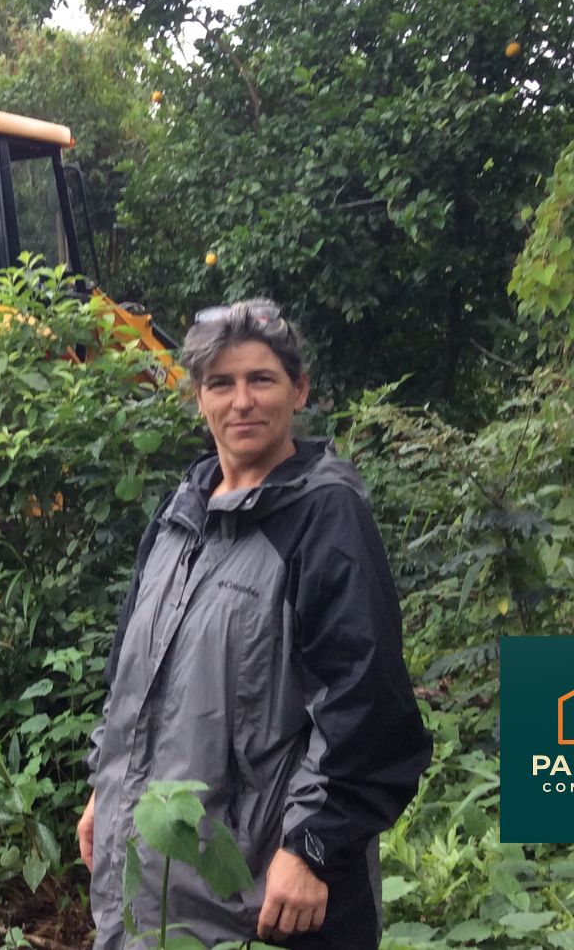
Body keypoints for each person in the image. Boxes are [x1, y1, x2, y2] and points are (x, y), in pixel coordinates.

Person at [79, 299, 432, 949]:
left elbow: (371, 711)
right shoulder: (176, 516)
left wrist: (312, 847)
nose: (241, 400)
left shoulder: (324, 518)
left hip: (266, 898)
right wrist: (109, 786)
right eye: (221, 382)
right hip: (155, 884)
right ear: (198, 397)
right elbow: (134, 678)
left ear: (298, 390)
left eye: (261, 379)